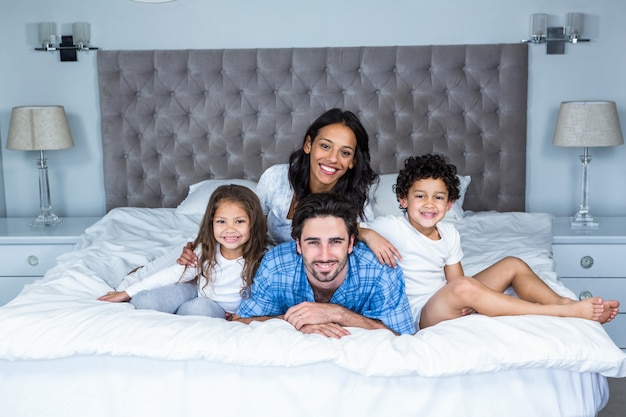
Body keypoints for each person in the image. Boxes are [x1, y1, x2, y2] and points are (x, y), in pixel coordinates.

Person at [361, 153, 620, 330]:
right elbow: (346, 228)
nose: (429, 204)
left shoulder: (449, 233)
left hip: (445, 298)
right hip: (419, 314)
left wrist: (467, 300)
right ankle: (562, 313)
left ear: (449, 204)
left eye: (438, 198)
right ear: (403, 201)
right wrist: (367, 233)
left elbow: (456, 281)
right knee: (464, 288)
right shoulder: (391, 226)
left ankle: (564, 302)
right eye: (420, 196)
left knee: (512, 264)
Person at [178, 108, 401, 267]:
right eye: (325, 146)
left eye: (345, 152)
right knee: (185, 258)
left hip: (311, 272)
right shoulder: (276, 179)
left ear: (352, 161)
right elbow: (240, 223)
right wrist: (199, 245)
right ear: (308, 145)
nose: (333, 159)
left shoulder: (356, 197)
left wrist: (367, 232)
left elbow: (356, 250)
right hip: (259, 263)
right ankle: (142, 276)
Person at [231, 192, 416, 338]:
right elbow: (240, 322)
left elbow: (404, 337)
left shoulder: (380, 269)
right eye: (313, 242)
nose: (324, 255)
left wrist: (338, 315)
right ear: (298, 244)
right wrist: (298, 321)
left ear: (351, 243)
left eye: (335, 242)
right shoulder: (276, 265)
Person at [98, 184, 268, 318]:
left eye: (239, 221)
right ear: (211, 224)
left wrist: (243, 315)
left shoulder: (264, 257)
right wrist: (126, 293)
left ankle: (179, 313)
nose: (230, 230)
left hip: (218, 309)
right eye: (221, 222)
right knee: (144, 300)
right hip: (198, 291)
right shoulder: (206, 250)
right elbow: (173, 274)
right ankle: (173, 307)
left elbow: (271, 295)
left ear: (254, 223)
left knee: (198, 310)